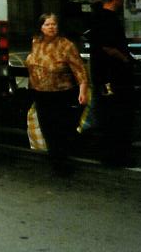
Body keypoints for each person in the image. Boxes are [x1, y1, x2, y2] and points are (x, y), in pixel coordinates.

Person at [25, 13, 88, 175]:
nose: (51, 27)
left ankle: (62, 160)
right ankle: (55, 160)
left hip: (61, 93)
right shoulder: (36, 42)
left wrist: (82, 90)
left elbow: (79, 69)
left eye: (54, 24)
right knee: (47, 128)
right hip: (40, 93)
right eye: (47, 24)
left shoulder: (66, 45)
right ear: (41, 27)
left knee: (61, 127)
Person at [89, 0, 136, 167]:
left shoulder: (97, 17)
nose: (123, 1)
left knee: (108, 115)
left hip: (103, 76)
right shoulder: (108, 19)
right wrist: (125, 59)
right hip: (113, 76)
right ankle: (117, 156)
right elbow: (108, 47)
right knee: (119, 116)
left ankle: (109, 155)